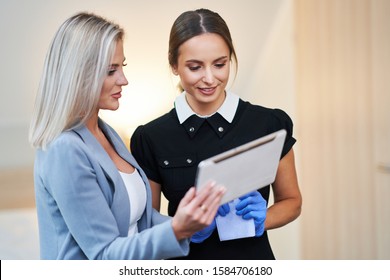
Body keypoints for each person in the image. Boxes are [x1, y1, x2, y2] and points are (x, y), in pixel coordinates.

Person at [28, 12, 225, 260]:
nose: (124, 80)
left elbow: (138, 218)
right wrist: (176, 230)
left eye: (122, 66)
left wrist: (192, 224)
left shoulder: (106, 132)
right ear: (78, 75)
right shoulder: (65, 150)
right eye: (111, 70)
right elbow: (103, 255)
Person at [130, 8, 302, 260]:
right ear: (174, 65)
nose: (209, 78)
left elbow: (292, 201)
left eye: (220, 64)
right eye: (195, 67)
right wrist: (183, 230)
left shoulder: (269, 123)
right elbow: (147, 224)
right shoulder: (151, 137)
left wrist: (264, 219)